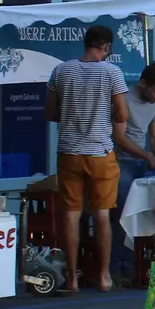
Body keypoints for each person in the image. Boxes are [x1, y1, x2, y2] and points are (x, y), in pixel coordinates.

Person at [46, 24, 129, 294]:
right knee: (102, 215)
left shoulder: (61, 70)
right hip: (100, 152)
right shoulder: (112, 73)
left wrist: (72, 114)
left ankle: (71, 278)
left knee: (71, 215)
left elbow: (50, 112)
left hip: (68, 151)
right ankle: (104, 276)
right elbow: (122, 114)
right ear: (106, 46)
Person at [110, 62, 155, 280]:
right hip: (121, 161)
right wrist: (148, 156)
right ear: (143, 83)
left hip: (142, 162)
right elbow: (119, 137)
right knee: (122, 209)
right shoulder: (124, 98)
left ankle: (146, 263)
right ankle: (117, 266)